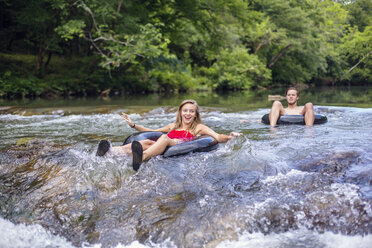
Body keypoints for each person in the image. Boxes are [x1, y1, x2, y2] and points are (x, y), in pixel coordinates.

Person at [97, 99, 241, 171]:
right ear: (180, 112)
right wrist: (133, 125)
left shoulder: (199, 127)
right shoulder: (172, 126)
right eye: (185, 111)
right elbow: (149, 130)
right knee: (146, 142)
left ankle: (143, 157)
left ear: (195, 114)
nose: (188, 114)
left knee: (165, 138)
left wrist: (229, 137)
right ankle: (111, 151)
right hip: (164, 145)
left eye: (191, 111)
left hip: (180, 145)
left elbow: (216, 136)